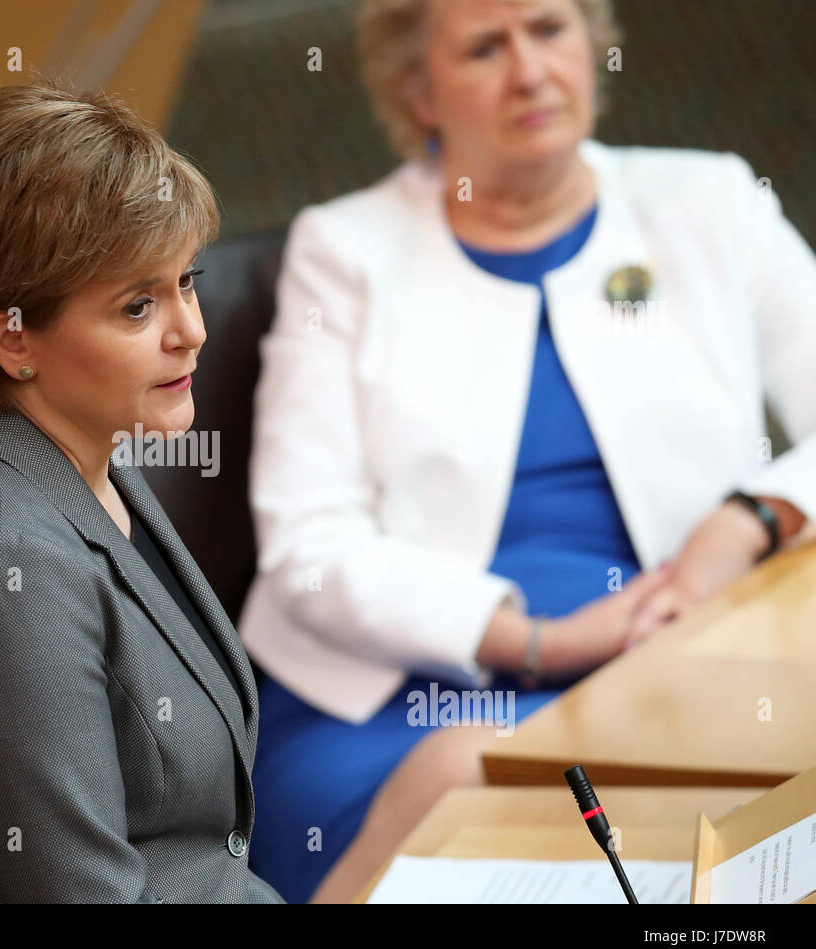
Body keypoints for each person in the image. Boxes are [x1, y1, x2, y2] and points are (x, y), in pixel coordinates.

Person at [239, 0, 816, 903]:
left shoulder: (708, 200)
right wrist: (544, 641)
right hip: (396, 691)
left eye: (550, 29)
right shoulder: (345, 251)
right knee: (472, 773)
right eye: (483, 47)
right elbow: (309, 548)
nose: (531, 71)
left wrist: (747, 522)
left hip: (671, 656)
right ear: (418, 92)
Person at [0, 81, 284, 903]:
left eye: (187, 281)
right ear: (13, 339)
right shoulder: (2, 563)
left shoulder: (88, 451)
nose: (191, 330)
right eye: (138, 307)